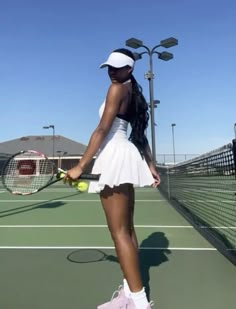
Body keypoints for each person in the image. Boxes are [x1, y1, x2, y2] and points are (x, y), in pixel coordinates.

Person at [64, 48, 160, 309]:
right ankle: (130, 293)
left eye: (117, 67)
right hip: (125, 154)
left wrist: (80, 165)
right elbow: (139, 134)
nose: (112, 71)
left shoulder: (117, 89)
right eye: (109, 67)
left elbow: (102, 129)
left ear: (130, 68)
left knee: (119, 233)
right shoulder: (133, 92)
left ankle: (139, 303)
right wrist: (150, 165)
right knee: (127, 231)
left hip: (114, 156)